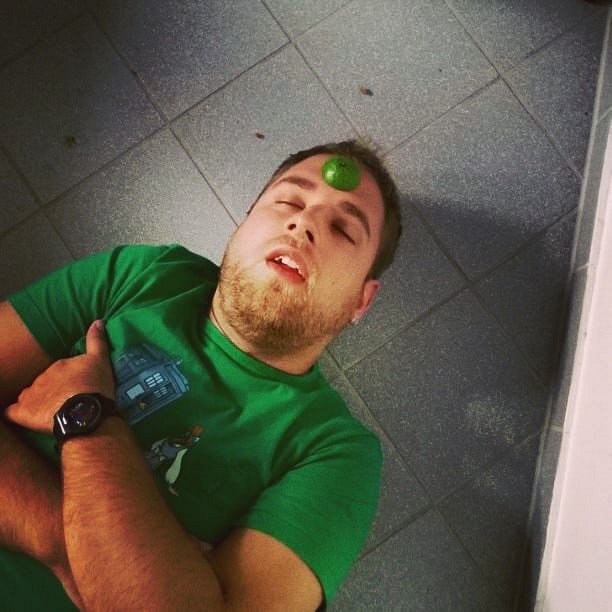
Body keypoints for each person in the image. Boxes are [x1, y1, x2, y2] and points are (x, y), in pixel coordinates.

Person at [0, 140, 402, 611]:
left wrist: (86, 420)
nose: (304, 223)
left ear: (362, 300)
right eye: (289, 201)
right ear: (245, 221)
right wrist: (77, 551)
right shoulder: (142, 275)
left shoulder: (336, 455)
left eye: (343, 229)